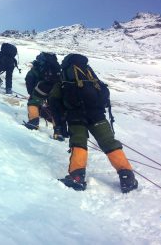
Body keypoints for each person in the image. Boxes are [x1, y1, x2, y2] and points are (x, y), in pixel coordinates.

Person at [48, 53, 138, 193]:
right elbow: (103, 93)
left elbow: (54, 103)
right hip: (97, 115)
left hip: (75, 116)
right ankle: (127, 177)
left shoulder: (64, 78)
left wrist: (59, 125)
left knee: (79, 143)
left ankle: (76, 177)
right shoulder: (89, 76)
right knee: (109, 143)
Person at [23, 52, 62, 130]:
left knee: (33, 102)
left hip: (43, 87)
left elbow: (29, 80)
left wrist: (32, 94)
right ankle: (58, 132)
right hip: (57, 88)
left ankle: (33, 123)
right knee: (54, 107)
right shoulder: (56, 66)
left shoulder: (37, 67)